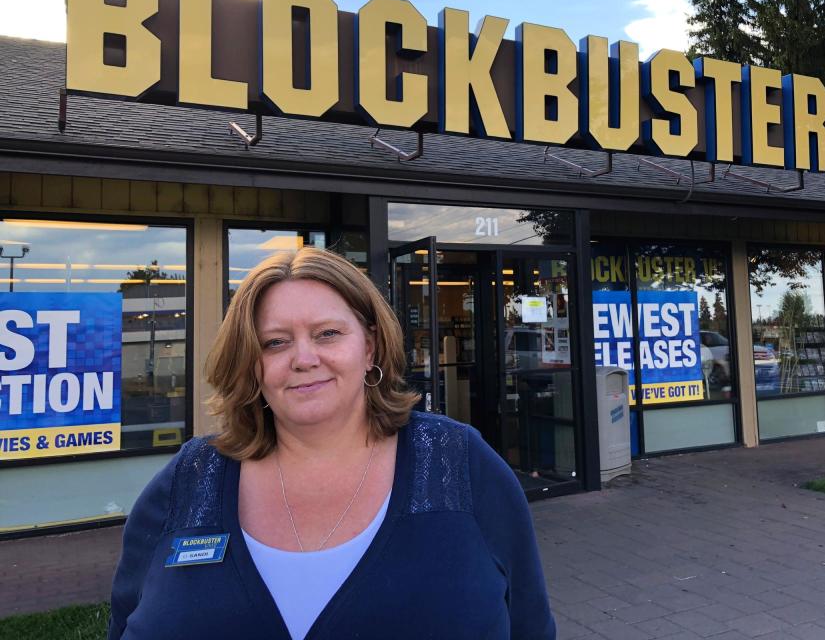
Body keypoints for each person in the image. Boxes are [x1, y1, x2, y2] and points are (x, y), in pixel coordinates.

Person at [107, 247, 556, 640]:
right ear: (250, 364)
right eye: (275, 342)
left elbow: (530, 624)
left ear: (371, 348)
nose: (304, 359)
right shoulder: (189, 481)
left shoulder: (457, 463)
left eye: (328, 334)